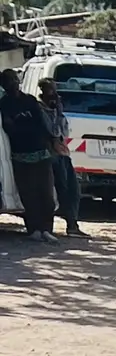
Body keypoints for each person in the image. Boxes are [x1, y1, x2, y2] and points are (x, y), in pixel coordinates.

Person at [0, 71, 59, 241]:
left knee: (46, 194)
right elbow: (9, 128)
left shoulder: (30, 100)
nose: (12, 83)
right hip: (21, 155)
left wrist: (52, 141)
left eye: (13, 79)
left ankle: (47, 229)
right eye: (7, 81)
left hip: (41, 152)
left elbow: (41, 123)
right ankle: (34, 229)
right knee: (28, 195)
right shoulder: (4, 104)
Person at [36, 78, 82, 237]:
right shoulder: (40, 109)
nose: (54, 94)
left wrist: (59, 111)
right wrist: (55, 113)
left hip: (62, 153)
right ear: (43, 91)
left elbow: (64, 131)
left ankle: (73, 224)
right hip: (50, 154)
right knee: (60, 189)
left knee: (74, 189)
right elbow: (53, 132)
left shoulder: (56, 111)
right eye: (51, 90)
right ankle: (52, 226)